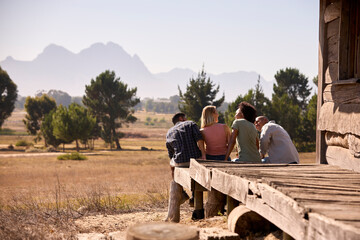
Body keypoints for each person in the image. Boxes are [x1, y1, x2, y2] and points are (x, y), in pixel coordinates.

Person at [165, 112, 206, 222]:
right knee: (196, 174)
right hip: (194, 161)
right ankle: (194, 197)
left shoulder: (169, 132)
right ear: (181, 118)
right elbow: (199, 140)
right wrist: (203, 154)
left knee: (172, 163)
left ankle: (182, 193)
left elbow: (171, 154)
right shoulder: (191, 124)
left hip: (179, 162)